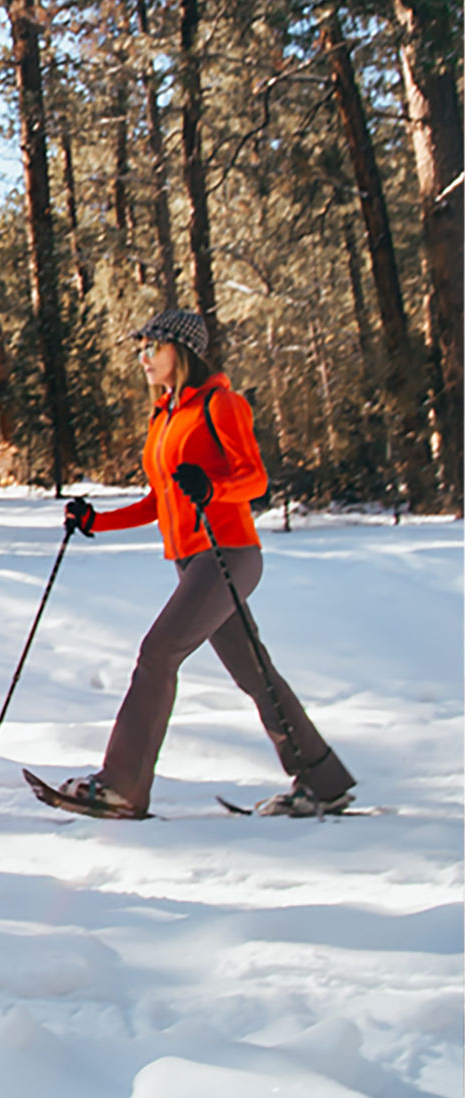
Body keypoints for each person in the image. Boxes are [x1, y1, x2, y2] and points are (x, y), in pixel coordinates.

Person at [50, 309, 355, 818]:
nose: (144, 357)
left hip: (228, 554)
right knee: (254, 673)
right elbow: (159, 500)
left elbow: (255, 480)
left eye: (153, 347)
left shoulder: (222, 403)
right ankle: (322, 781)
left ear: (182, 351)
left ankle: (121, 786)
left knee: (157, 652)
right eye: (141, 347)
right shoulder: (165, 415)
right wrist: (95, 522)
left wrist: (215, 488)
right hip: (193, 561)